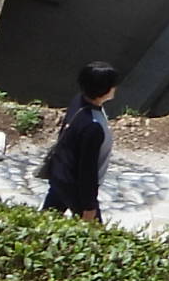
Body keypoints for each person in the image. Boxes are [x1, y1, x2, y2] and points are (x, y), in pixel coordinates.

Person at [40, 57, 118, 219]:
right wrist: (89, 206)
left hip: (60, 173)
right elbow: (86, 170)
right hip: (74, 186)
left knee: (47, 219)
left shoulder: (78, 101)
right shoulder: (93, 127)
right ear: (104, 90)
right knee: (94, 234)